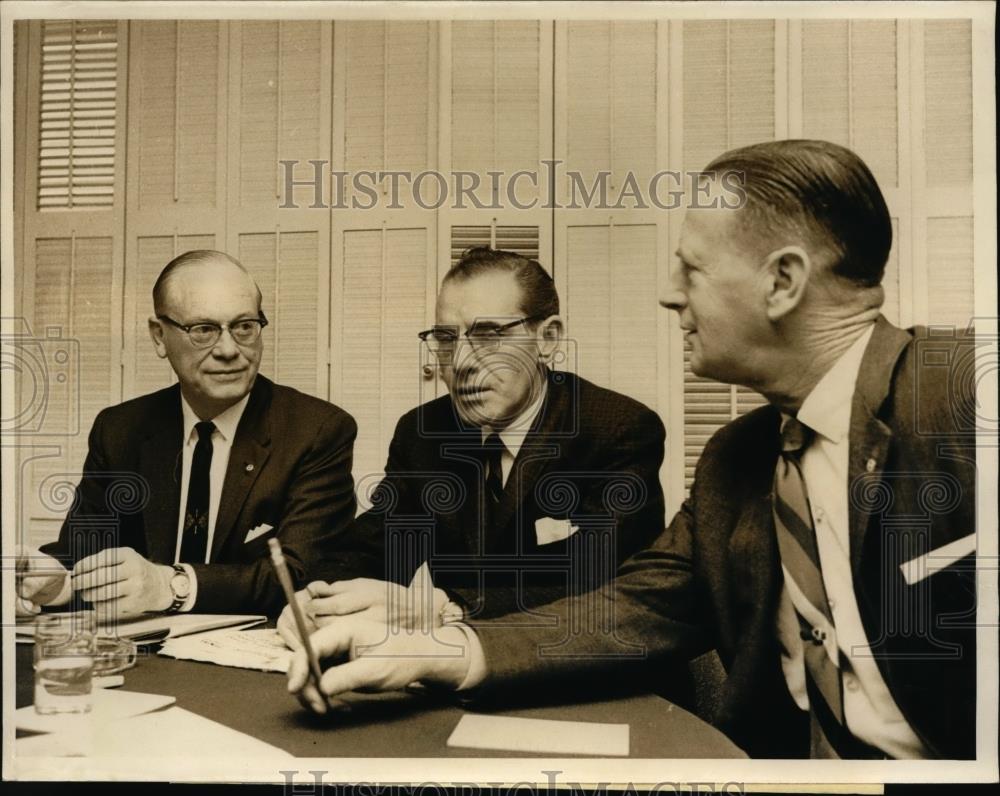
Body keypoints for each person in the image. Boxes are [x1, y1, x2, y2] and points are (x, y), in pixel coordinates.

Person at [286, 141, 977, 760]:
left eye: (691, 270)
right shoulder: (737, 460)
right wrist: (439, 647)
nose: (667, 295)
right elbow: (644, 604)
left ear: (783, 281)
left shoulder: (968, 402)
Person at [280, 246, 666, 641]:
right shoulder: (422, 431)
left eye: (488, 335)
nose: (461, 360)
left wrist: (450, 606)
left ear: (548, 339)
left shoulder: (617, 429)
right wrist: (315, 598)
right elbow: (372, 546)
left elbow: (605, 587)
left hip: (588, 673)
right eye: (446, 338)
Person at [16, 250, 358, 619]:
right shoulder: (120, 429)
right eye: (203, 330)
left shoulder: (317, 430)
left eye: (244, 326)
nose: (229, 350)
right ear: (159, 337)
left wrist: (172, 585)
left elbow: (302, 575)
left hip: (253, 659)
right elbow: (85, 554)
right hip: (141, 656)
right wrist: (58, 586)